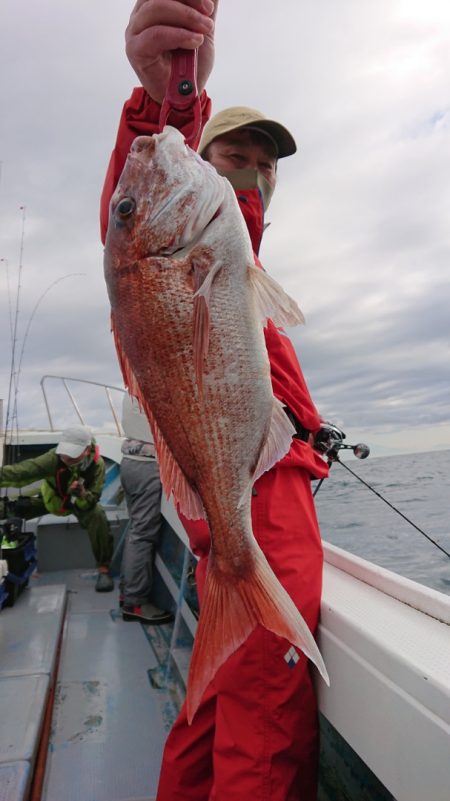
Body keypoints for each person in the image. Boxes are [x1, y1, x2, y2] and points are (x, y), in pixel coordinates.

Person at [101, 2, 330, 799]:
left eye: (266, 165)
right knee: (262, 735)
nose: (253, 174)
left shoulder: (232, 264)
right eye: (233, 155)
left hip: (239, 509)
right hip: (257, 518)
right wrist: (162, 103)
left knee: (207, 717)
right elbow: (130, 229)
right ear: (199, 155)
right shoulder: (175, 245)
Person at [0, 425, 114, 592]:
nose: (66, 457)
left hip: (79, 503)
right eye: (65, 452)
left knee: (97, 516)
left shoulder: (98, 466)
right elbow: (21, 472)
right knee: (11, 508)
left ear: (87, 450)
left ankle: (104, 570)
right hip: (52, 500)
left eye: (73, 454)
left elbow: (92, 499)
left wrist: (82, 494)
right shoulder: (53, 458)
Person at [120, 392, 173, 624]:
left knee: (136, 531)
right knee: (142, 535)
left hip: (130, 463)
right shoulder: (154, 383)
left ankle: (128, 593)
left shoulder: (133, 385)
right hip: (147, 468)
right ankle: (135, 601)